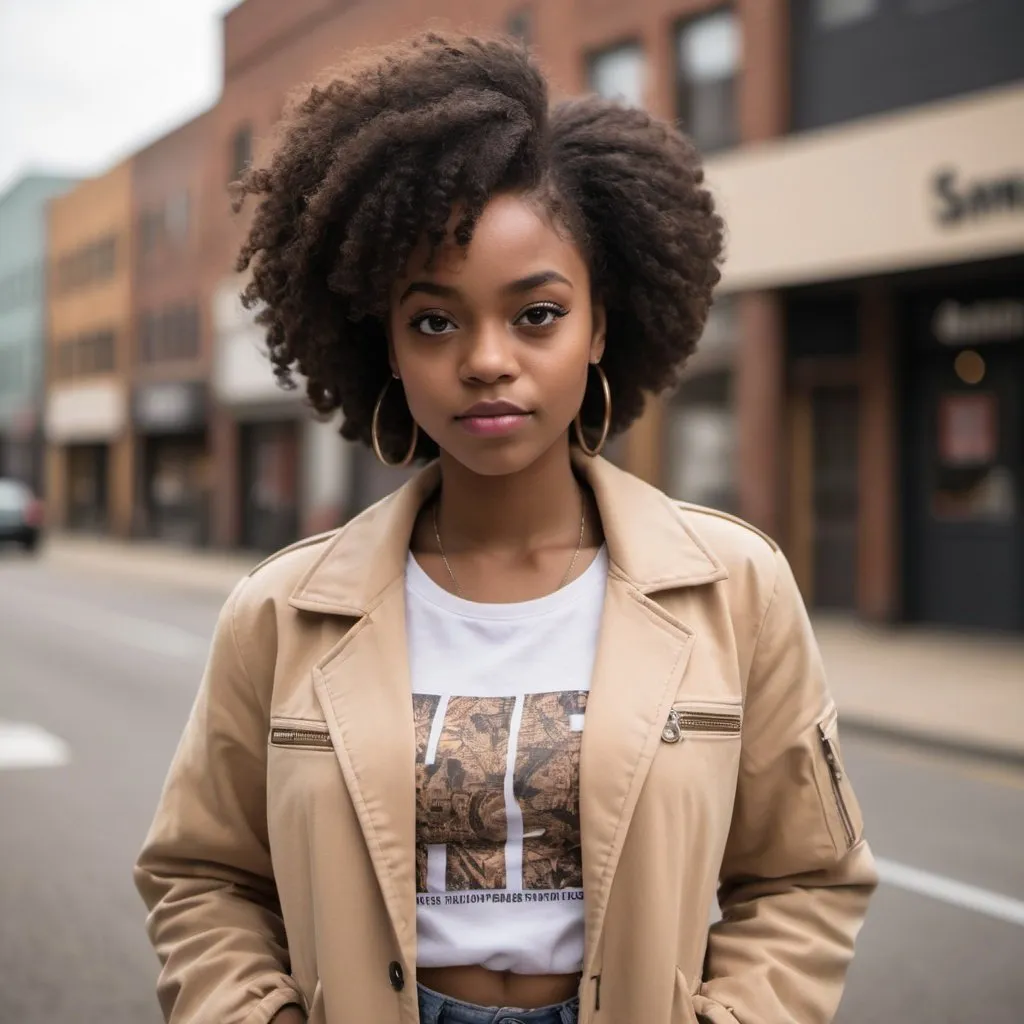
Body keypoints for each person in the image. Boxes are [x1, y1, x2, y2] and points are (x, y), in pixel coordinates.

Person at [135, 32, 877, 1024]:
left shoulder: (733, 586)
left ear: (600, 326)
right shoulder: (280, 611)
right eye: (435, 322)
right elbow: (202, 874)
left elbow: (804, 878)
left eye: (536, 314)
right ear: (386, 345)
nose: (487, 360)